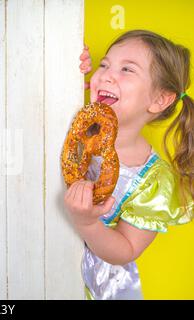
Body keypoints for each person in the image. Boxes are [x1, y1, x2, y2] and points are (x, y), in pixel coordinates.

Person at [67, 30, 194, 300]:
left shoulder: (154, 181)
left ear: (159, 99)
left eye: (127, 69)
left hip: (93, 285)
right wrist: (67, 66)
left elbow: (125, 249)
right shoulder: (74, 118)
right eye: (104, 64)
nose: (107, 75)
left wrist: (88, 223)